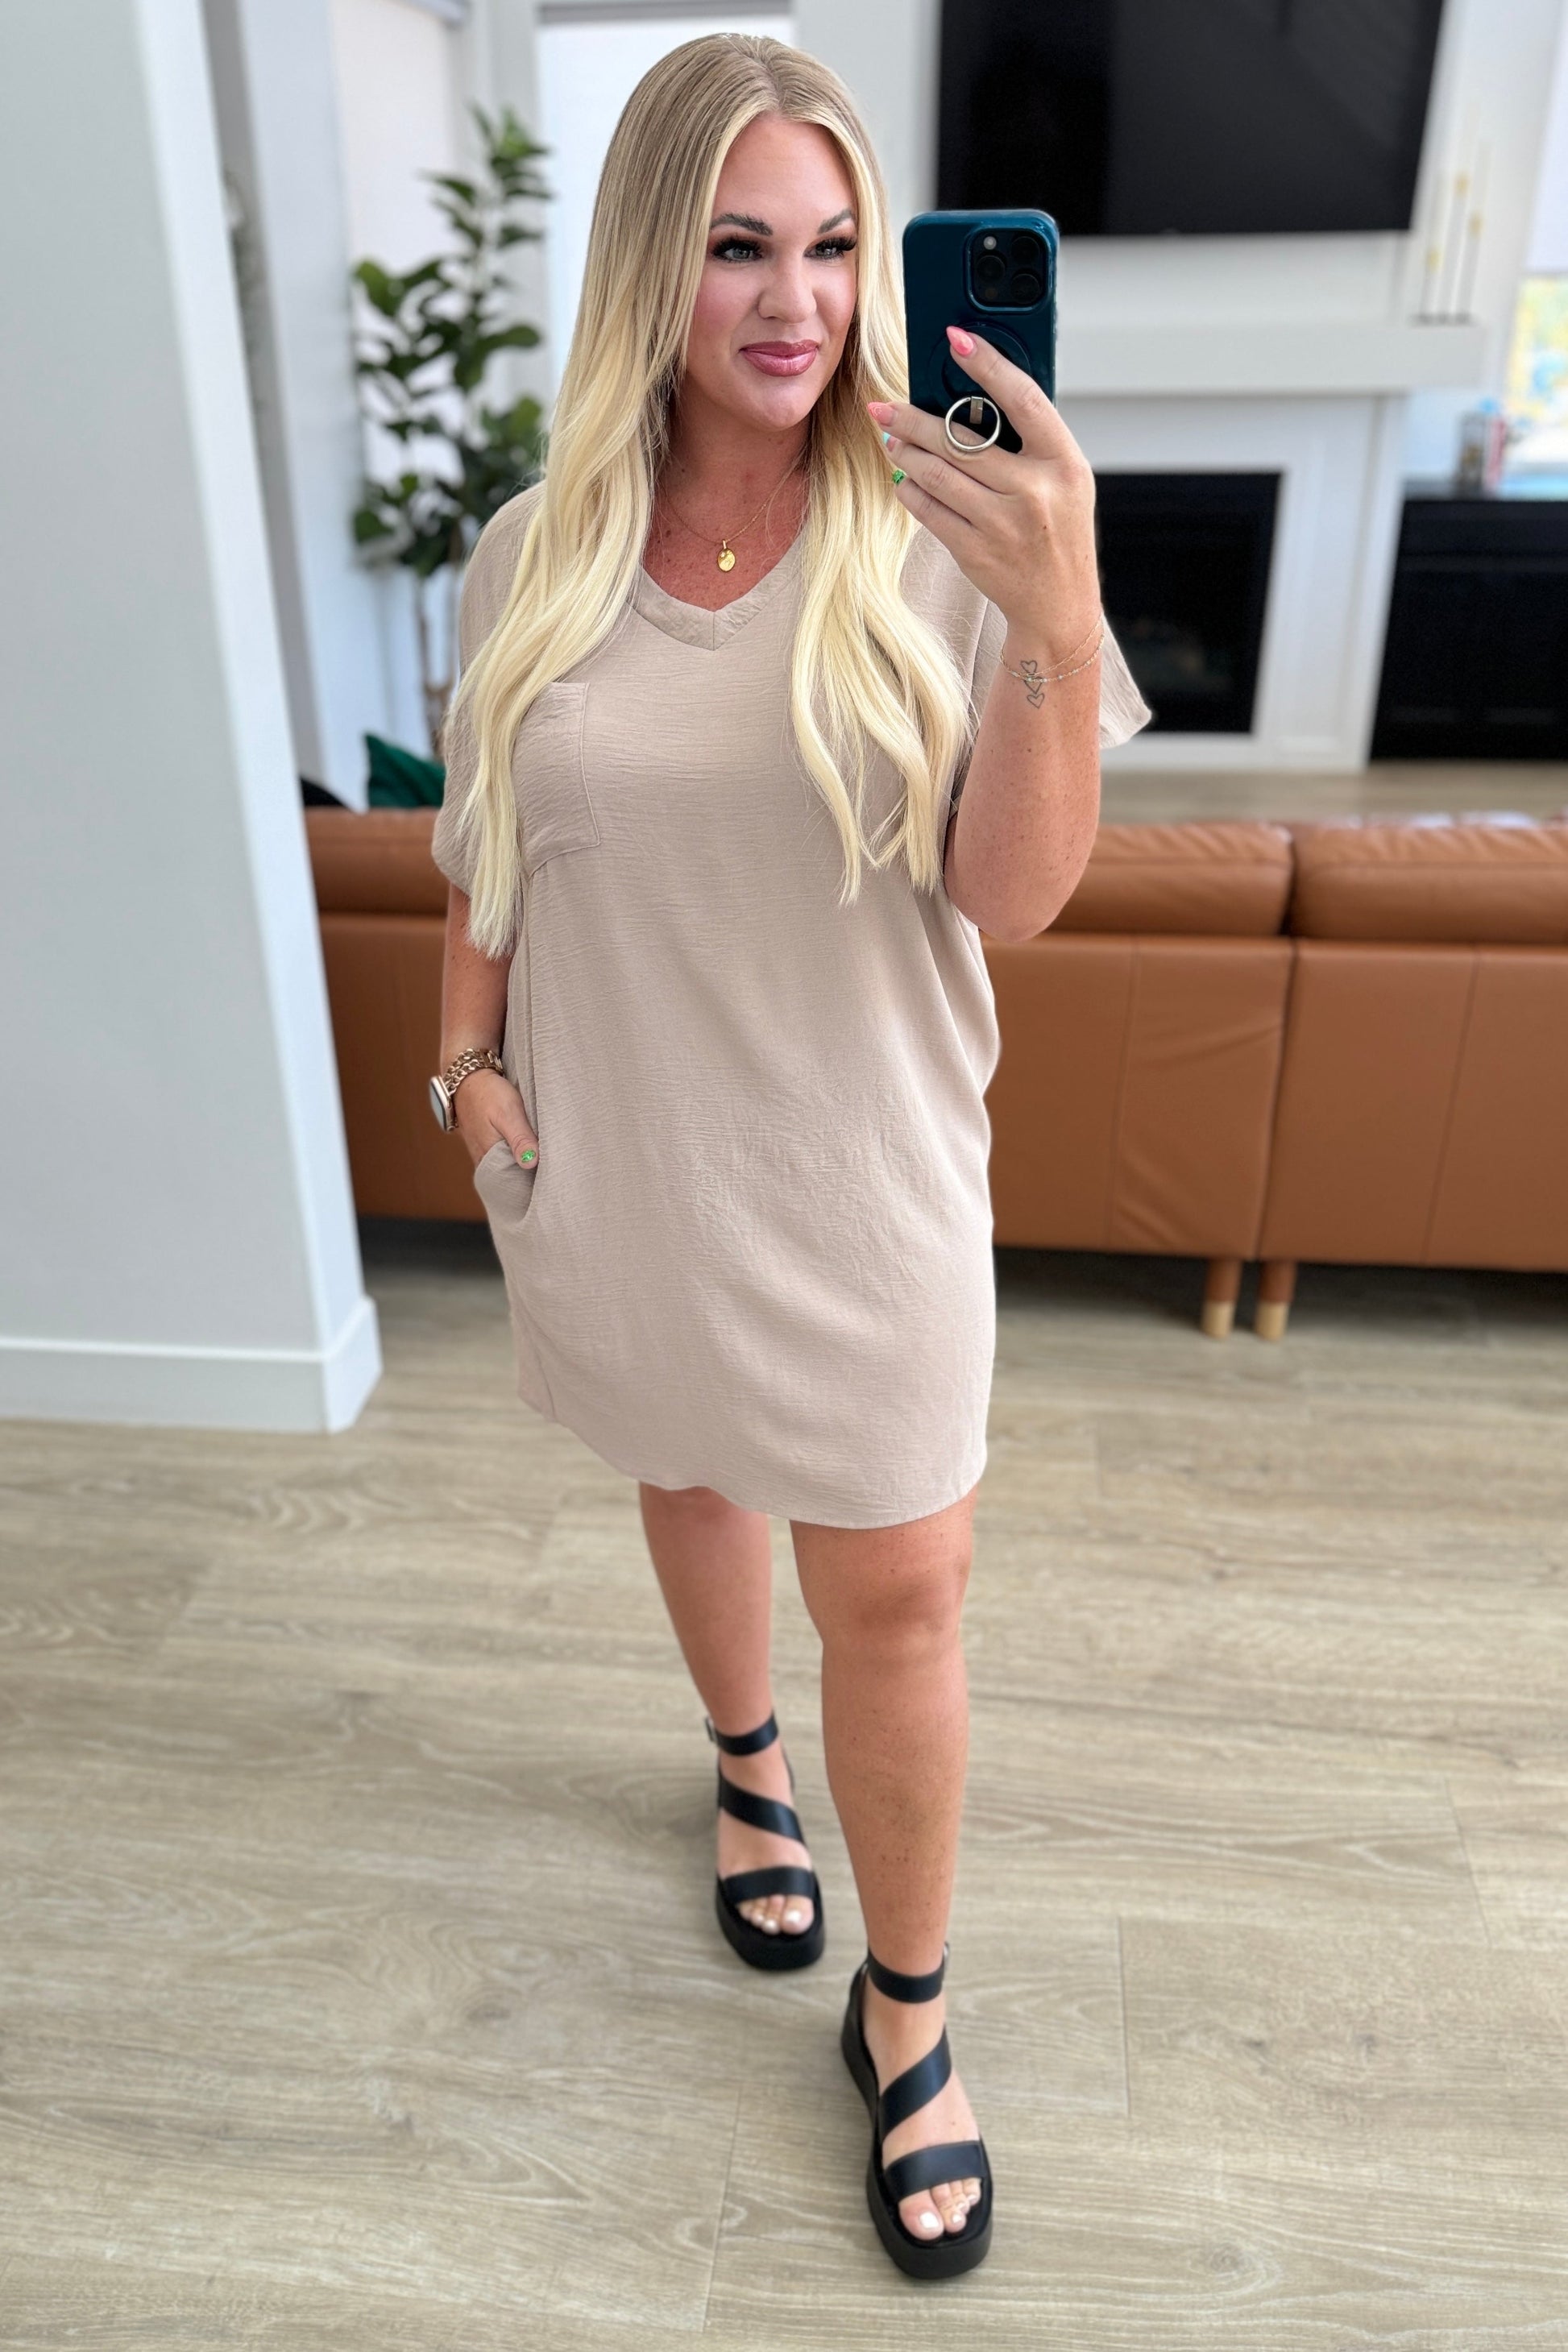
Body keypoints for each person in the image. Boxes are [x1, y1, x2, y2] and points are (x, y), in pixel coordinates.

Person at [429, 31, 1150, 2281]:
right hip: (625, 1159)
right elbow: (487, 841)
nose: (798, 299)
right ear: (652, 258)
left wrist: (1053, 618)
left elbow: (1013, 895)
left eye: (835, 246)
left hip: (868, 1187)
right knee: (684, 1472)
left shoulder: (947, 529)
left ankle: (905, 2015)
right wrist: (464, 1063)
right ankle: (746, 1764)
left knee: (905, 1592)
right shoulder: (529, 556)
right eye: (740, 244)